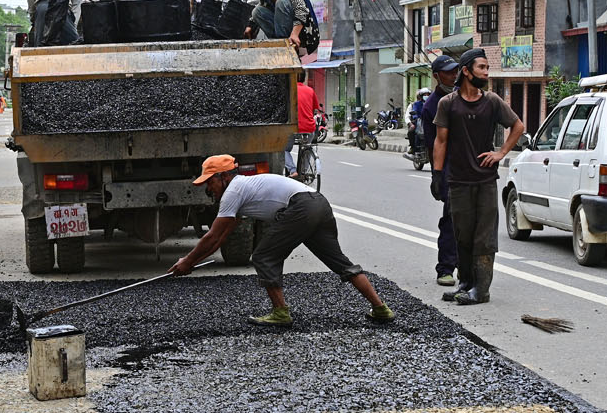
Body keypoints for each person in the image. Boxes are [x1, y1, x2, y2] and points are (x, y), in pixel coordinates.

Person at [168, 155, 394, 325]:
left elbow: (213, 235)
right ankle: (380, 308)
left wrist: (188, 261)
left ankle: (280, 313)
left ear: (224, 176)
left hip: (301, 207)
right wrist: (192, 263)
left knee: (263, 255)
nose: (209, 188)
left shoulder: (233, 191)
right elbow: (220, 238)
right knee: (338, 261)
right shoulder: (244, 187)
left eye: (210, 182)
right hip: (319, 203)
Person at [431, 48, 525, 305]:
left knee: (483, 237)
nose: (486, 72)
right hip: (458, 180)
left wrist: (501, 153)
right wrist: (437, 174)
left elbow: (518, 126)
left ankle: (481, 290)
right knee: (462, 235)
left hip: (484, 181)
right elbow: (441, 141)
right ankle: (465, 284)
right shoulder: (447, 104)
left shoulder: (492, 101)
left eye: (486, 68)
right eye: (481, 67)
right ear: (466, 71)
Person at [423, 57, 463, 288]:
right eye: (448, 72)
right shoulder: (432, 106)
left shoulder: (464, 96)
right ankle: (445, 268)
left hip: (469, 167)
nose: (453, 75)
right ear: (437, 75)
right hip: (448, 169)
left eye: (456, 71)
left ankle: (466, 266)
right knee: (451, 218)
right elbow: (433, 145)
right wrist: (436, 175)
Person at [285, 68, 319, 177]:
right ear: (304, 78)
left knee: (283, 150)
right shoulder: (310, 90)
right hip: (309, 128)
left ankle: (292, 170)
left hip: (292, 128)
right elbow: (315, 109)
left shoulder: (289, 90)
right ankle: (303, 171)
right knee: (307, 147)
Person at [407, 86, 432, 151]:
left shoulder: (431, 103)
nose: (426, 96)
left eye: (427, 94)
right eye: (424, 95)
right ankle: (413, 147)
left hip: (429, 121)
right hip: (419, 121)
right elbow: (414, 112)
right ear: (421, 96)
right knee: (411, 131)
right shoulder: (416, 104)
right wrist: (416, 117)